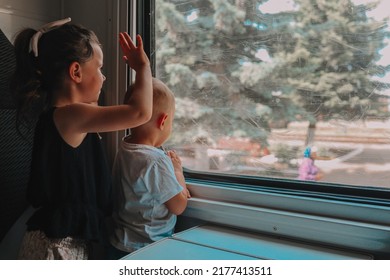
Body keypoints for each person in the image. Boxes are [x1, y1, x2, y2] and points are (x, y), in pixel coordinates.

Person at [11, 17, 153, 259]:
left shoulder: (66, 116)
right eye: (99, 68)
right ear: (75, 71)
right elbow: (140, 113)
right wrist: (143, 68)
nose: (104, 76)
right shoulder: (72, 116)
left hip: (56, 243)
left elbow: (93, 102)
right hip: (56, 248)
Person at [109, 78, 191, 259]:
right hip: (148, 249)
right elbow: (178, 205)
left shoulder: (125, 148)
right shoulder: (155, 161)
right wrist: (177, 172)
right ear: (163, 121)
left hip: (119, 244)